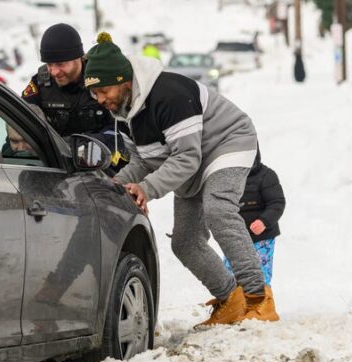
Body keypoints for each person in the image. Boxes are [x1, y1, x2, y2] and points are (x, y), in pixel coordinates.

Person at [84, 32, 278, 327]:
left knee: (219, 210)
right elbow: (143, 161)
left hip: (226, 142)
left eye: (103, 91)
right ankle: (231, 300)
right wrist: (116, 184)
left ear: (123, 80)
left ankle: (258, 298)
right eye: (94, 95)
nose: (100, 100)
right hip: (192, 158)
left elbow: (187, 158)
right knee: (185, 242)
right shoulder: (124, 112)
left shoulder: (168, 94)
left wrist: (147, 189)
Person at [21, 24, 128, 169]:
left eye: (60, 64)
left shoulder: (101, 79)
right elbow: (21, 118)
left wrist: (91, 144)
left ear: (78, 58)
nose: (54, 72)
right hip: (57, 166)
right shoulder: (40, 84)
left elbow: (123, 131)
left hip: (102, 167)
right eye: (49, 64)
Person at [224, 161, 285, 291]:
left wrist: (264, 221)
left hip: (261, 238)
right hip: (234, 237)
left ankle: (262, 302)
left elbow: (277, 203)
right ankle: (231, 301)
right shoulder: (227, 175)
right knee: (229, 272)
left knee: (260, 273)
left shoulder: (266, 175)